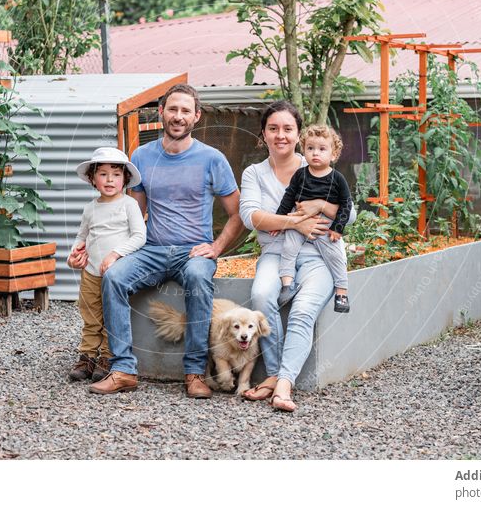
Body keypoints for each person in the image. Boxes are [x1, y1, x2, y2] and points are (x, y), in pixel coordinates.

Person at [86, 83, 243, 398]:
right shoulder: (142, 156)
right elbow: (131, 212)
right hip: (152, 249)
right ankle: (123, 370)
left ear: (196, 116)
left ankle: (195, 373)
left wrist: (216, 247)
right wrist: (111, 250)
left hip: (193, 252)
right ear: (161, 113)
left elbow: (238, 214)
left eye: (186, 110)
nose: (178, 116)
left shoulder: (212, 159)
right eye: (173, 109)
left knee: (199, 277)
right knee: (114, 276)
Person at [239, 101, 355, 412]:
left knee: (304, 309)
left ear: (298, 134)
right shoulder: (255, 173)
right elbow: (252, 216)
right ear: (263, 134)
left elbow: (350, 214)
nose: (281, 135)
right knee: (261, 295)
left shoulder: (318, 161)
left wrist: (319, 206)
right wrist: (296, 222)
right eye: (273, 129)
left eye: (288, 129)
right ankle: (275, 372)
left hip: (318, 254)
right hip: (276, 252)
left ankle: (284, 385)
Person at [66, 147, 146, 383]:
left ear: (126, 179)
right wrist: (74, 256)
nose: (109, 179)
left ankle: (108, 358)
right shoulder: (90, 208)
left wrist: (115, 254)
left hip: (115, 272)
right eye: (102, 174)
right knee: (91, 315)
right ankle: (87, 357)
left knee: (112, 316)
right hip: (91, 272)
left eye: (116, 174)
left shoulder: (129, 205)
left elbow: (139, 236)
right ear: (92, 178)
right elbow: (82, 236)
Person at [276, 124, 353, 313]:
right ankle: (287, 285)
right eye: (310, 148)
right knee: (288, 247)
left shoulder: (337, 179)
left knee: (335, 256)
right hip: (299, 219)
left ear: (333, 154)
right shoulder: (300, 175)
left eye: (322, 149)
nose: (315, 153)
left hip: (325, 224)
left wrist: (337, 227)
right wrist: (279, 220)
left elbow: (346, 204)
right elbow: (288, 196)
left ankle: (341, 293)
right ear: (304, 150)